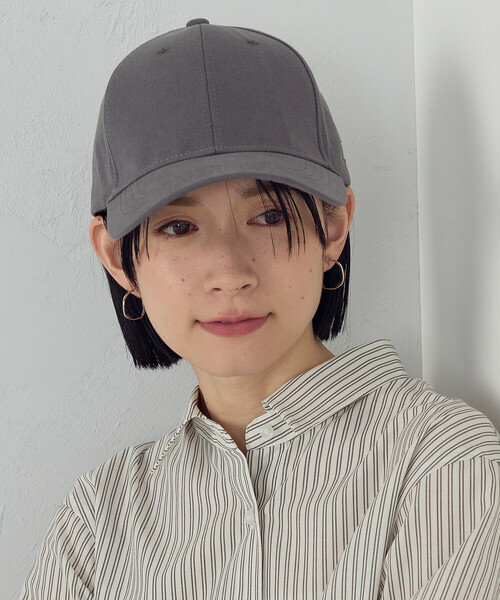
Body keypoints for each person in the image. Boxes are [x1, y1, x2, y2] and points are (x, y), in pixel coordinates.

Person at [20, 18, 500, 599]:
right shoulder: (96, 525)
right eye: (178, 226)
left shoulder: (439, 460)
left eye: (268, 216)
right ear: (119, 259)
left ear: (333, 228)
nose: (229, 272)